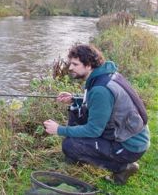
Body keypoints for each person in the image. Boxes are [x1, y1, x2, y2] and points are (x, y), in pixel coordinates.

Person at [43, 44, 150, 185]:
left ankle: (123, 167)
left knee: (69, 145)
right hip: (127, 135)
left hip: (129, 147)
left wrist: (59, 130)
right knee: (76, 111)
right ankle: (89, 156)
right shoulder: (105, 75)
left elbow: (94, 130)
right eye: (71, 64)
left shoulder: (100, 89)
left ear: (88, 65)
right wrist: (74, 98)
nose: (70, 68)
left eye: (75, 64)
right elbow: (103, 103)